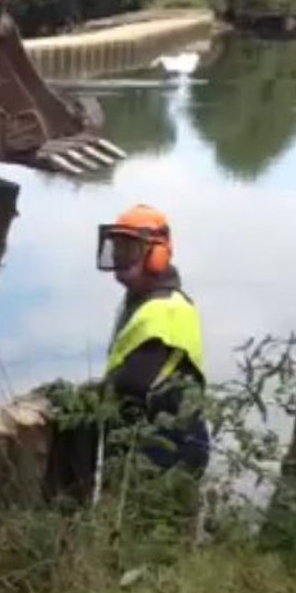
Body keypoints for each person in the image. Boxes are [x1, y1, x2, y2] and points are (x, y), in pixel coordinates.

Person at [96, 203, 210, 476]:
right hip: (144, 438)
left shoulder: (166, 310)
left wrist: (80, 399)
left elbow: (133, 382)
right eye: (117, 248)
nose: (120, 258)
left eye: (129, 250)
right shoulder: (141, 300)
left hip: (167, 450)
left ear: (157, 255)